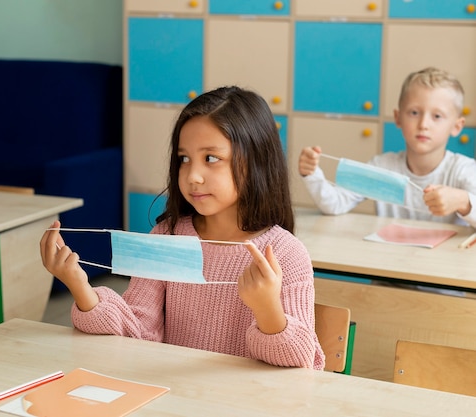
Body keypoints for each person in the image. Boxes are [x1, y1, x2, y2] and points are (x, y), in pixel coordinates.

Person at [40, 86, 325, 370]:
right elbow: (137, 331)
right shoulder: (167, 236)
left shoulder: (286, 254)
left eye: (211, 158)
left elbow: (299, 362)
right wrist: (79, 285)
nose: (193, 176)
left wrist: (266, 308)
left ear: (255, 162)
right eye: (184, 159)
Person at [298, 67, 476, 229]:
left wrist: (464, 201)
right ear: (398, 117)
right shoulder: (382, 167)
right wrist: (312, 174)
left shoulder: (463, 170)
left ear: (457, 126)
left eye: (437, 116)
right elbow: (335, 204)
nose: (423, 124)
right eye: (414, 113)